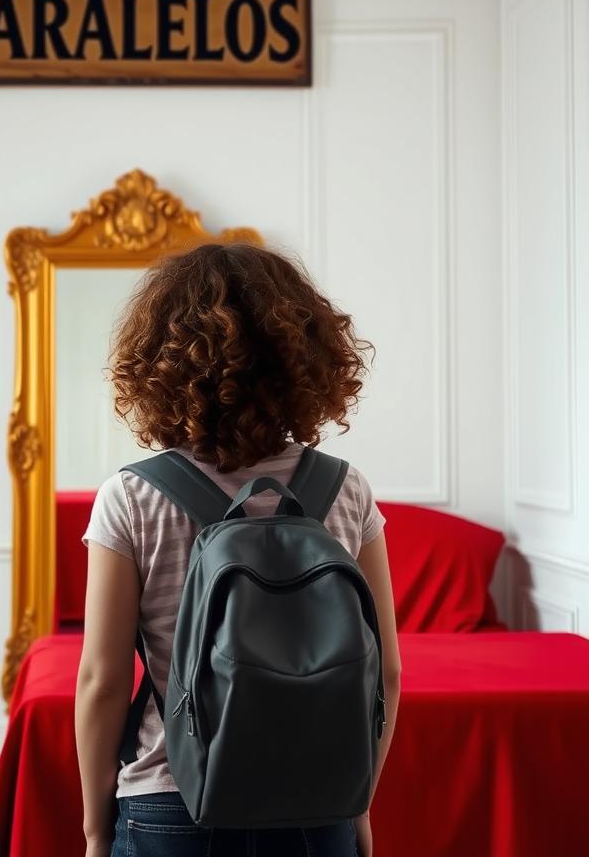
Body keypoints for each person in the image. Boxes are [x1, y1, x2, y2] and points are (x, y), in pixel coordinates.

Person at [75, 242, 402, 857]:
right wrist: (356, 803)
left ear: (160, 363)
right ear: (304, 357)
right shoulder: (345, 489)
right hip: (317, 801)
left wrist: (96, 828)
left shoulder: (132, 497)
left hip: (171, 798)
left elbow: (102, 681)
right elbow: (384, 671)